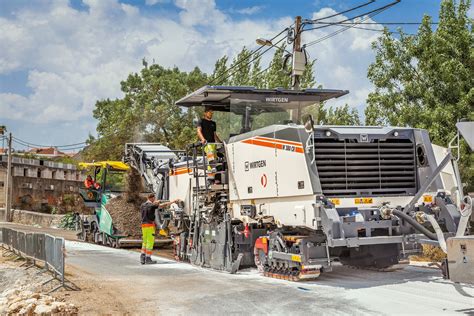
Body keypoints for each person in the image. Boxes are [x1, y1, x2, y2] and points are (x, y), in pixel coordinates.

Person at [140, 193, 179, 264]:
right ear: (151, 198)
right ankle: (148, 258)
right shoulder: (152, 205)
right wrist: (173, 202)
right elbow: (162, 205)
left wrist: (156, 203)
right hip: (149, 225)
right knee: (150, 241)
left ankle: (142, 257)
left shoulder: (143, 205)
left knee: (145, 241)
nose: (154, 200)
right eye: (154, 198)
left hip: (143, 225)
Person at [197, 106, 221, 176]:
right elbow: (198, 131)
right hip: (206, 144)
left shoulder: (213, 123)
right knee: (210, 153)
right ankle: (213, 170)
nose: (211, 114)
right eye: (210, 112)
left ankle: (212, 175)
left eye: (212, 113)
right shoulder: (201, 121)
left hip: (213, 143)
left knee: (213, 157)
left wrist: (220, 142)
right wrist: (202, 139)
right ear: (205, 113)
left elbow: (214, 135)